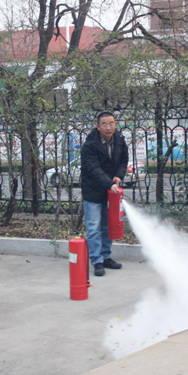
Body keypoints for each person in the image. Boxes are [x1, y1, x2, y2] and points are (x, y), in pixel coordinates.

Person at [80, 112, 128, 277]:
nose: (108, 127)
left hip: (110, 191)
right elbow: (93, 169)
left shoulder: (119, 140)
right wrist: (109, 183)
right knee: (94, 227)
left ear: (115, 124)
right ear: (98, 126)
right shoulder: (90, 145)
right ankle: (97, 261)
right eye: (104, 124)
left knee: (107, 225)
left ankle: (106, 257)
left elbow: (124, 160)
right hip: (93, 191)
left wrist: (119, 176)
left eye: (111, 123)